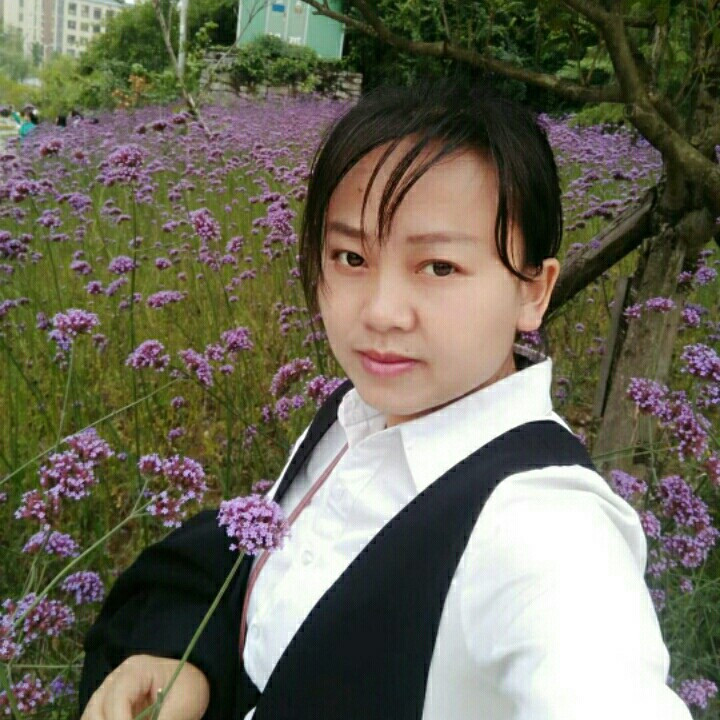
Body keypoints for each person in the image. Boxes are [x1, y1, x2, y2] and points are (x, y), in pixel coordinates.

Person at [78, 75, 692, 720]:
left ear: (532, 292)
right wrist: (184, 658)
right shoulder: (357, 414)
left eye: (439, 267)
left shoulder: (544, 529)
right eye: (350, 257)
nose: (381, 312)